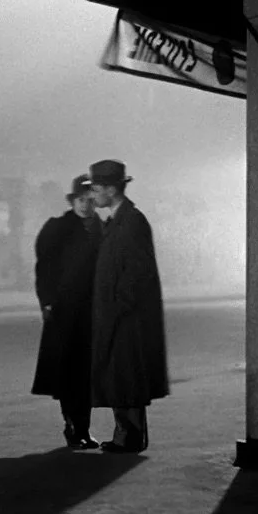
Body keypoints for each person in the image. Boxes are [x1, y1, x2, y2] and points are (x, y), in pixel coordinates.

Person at [88, 160, 169, 453]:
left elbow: (137, 271)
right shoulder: (118, 221)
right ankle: (125, 434)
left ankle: (130, 437)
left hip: (127, 318)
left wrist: (118, 305)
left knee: (126, 376)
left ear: (110, 189)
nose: (93, 195)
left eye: (96, 189)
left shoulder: (132, 221)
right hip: (118, 314)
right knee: (119, 375)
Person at [31, 175, 102, 449]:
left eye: (90, 201)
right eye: (81, 200)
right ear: (73, 201)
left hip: (91, 311)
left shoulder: (101, 230)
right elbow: (44, 269)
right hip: (64, 311)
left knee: (86, 373)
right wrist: (47, 301)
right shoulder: (57, 229)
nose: (86, 205)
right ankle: (73, 426)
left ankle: (83, 427)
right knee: (68, 372)